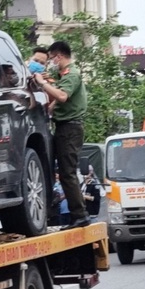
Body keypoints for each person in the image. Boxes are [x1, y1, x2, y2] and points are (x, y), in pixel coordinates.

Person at [34, 40, 90, 229]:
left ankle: (79, 215)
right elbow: (58, 101)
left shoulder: (71, 74)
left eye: (51, 59)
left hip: (70, 129)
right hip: (63, 127)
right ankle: (76, 214)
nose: (50, 63)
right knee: (62, 172)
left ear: (59, 56)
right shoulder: (62, 75)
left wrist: (42, 83)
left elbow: (62, 96)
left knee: (67, 173)